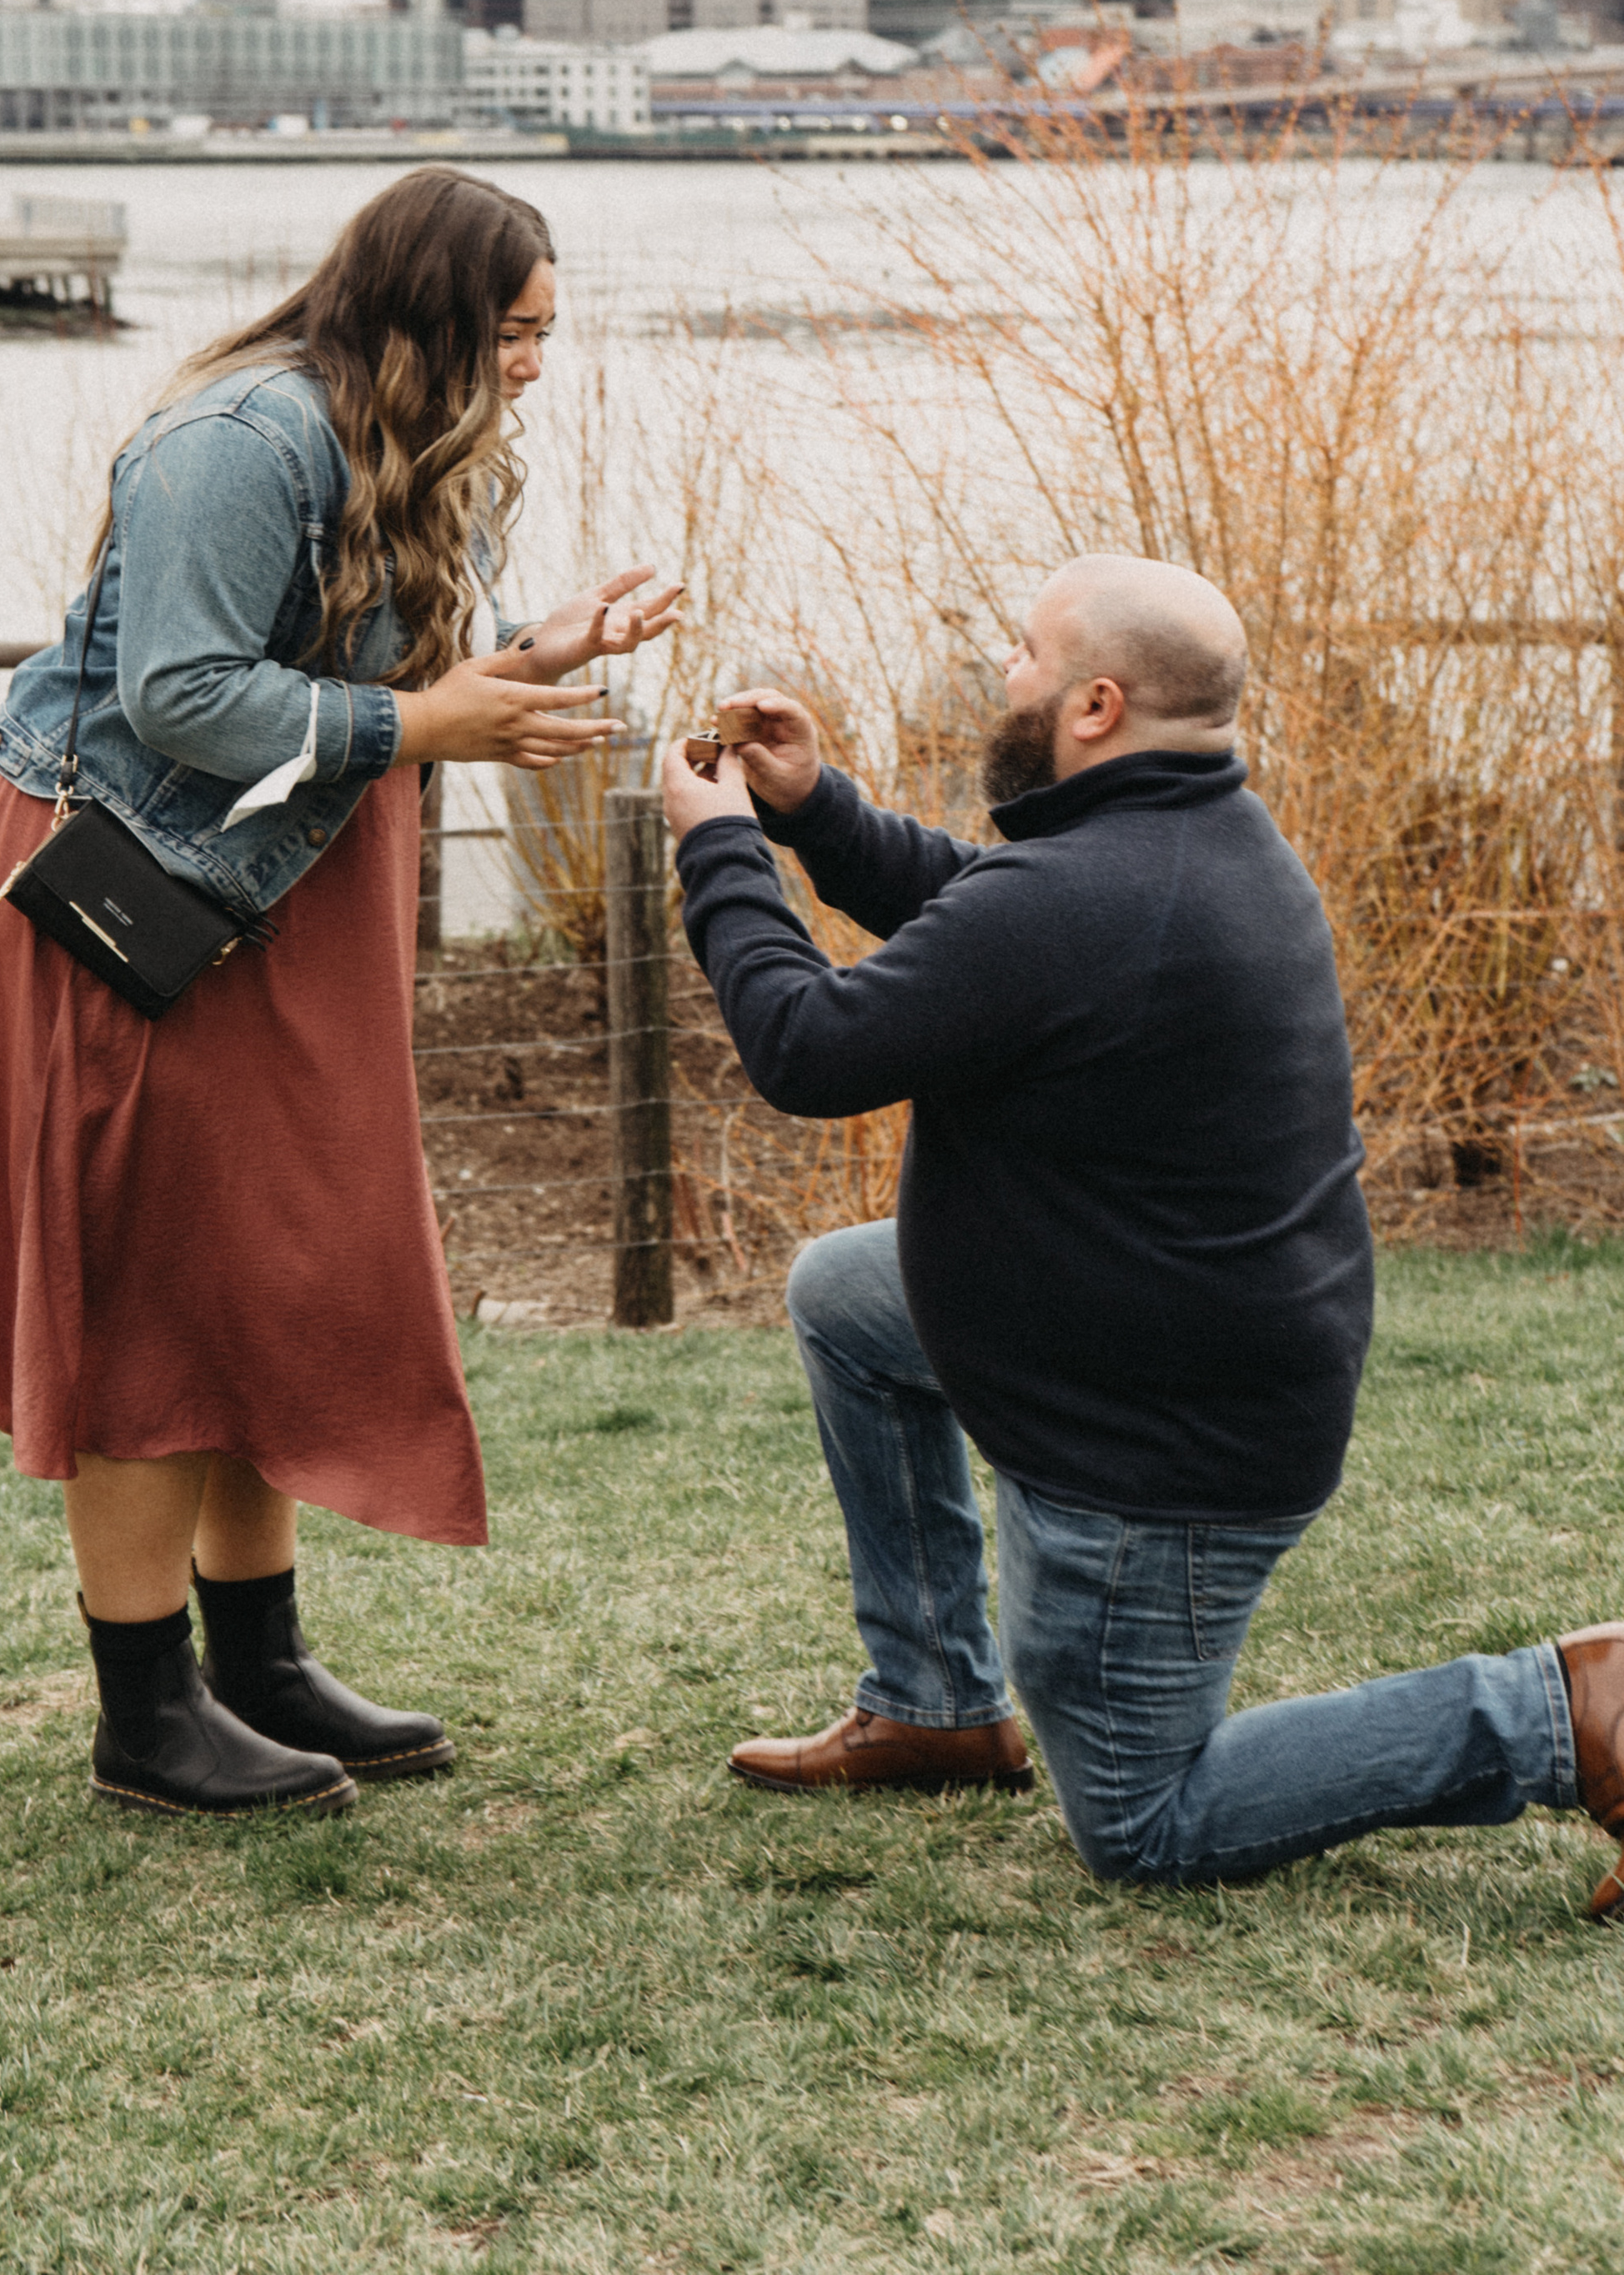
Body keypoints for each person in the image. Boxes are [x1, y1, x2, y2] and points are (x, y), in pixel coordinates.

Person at [0, 168, 680, 1823]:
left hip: (262, 879)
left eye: (544, 335)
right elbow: (180, 697)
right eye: (514, 332)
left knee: (261, 1255)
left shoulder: (418, 442)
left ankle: (258, 1658)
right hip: (113, 878)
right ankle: (143, 1714)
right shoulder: (235, 446)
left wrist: (544, 647)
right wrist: (422, 733)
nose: (535, 364)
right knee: (154, 1272)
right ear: (429, 320)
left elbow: (393, 657)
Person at [661, 553, 1624, 1914]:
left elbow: (809, 1050)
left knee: (1147, 1820)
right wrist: (815, 813)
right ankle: (938, 1700)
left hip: (1163, 1445)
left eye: (1023, 654)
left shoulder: (1091, 889)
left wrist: (713, 844)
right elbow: (982, 924)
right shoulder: (1193, 845)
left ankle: (1573, 1711)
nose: (1004, 671)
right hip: (1179, 1344)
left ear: (1096, 704)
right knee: (846, 1296)